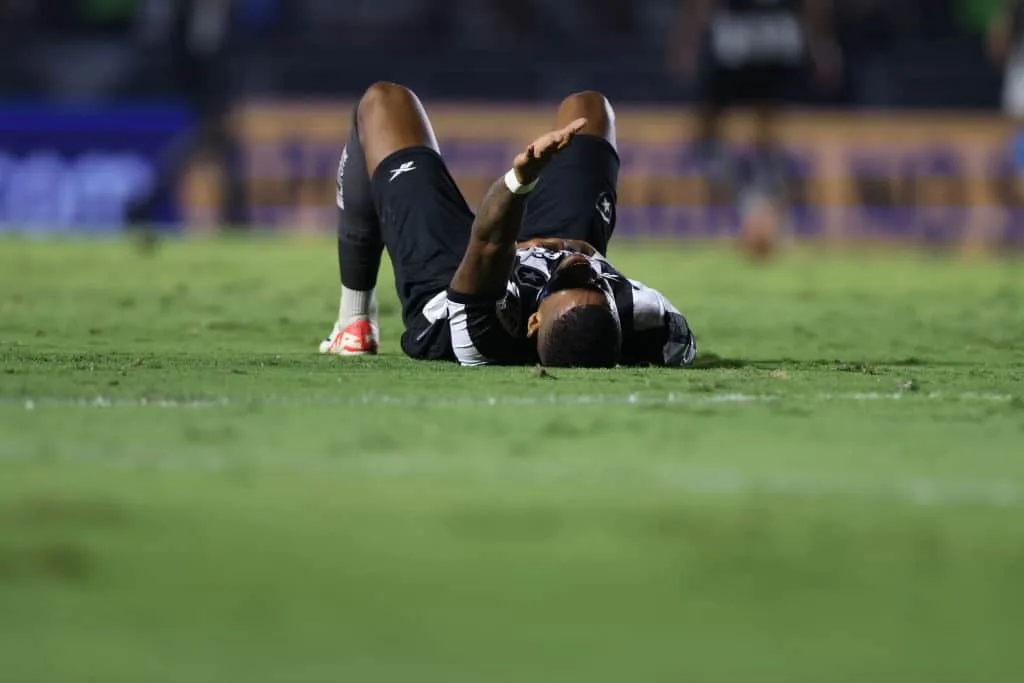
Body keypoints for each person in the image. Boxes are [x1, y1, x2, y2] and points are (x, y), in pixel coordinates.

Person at [319, 82, 696, 368]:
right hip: (544, 250)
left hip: (455, 283)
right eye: (596, 282)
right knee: (590, 108)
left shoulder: (481, 335)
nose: (579, 269)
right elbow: (680, 343)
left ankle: (353, 321)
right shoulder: (650, 319)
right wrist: (586, 261)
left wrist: (521, 180)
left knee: (383, 103)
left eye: (566, 282)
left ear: (532, 322)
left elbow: (487, 242)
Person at [667, 0, 840, 238]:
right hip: (737, 33)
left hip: (774, 33)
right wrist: (687, 42)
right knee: (711, 124)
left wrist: (821, 43)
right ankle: (725, 198)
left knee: (767, 122)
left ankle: (767, 204)